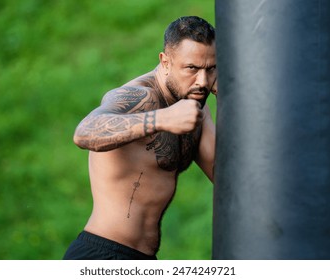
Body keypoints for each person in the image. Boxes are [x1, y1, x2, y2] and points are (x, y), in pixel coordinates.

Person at [63, 15, 217, 260]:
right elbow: (84, 132)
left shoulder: (197, 106)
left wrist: (231, 99)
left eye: (211, 69)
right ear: (165, 62)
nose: (202, 81)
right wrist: (161, 119)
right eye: (192, 68)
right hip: (103, 255)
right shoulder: (138, 96)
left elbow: (227, 179)